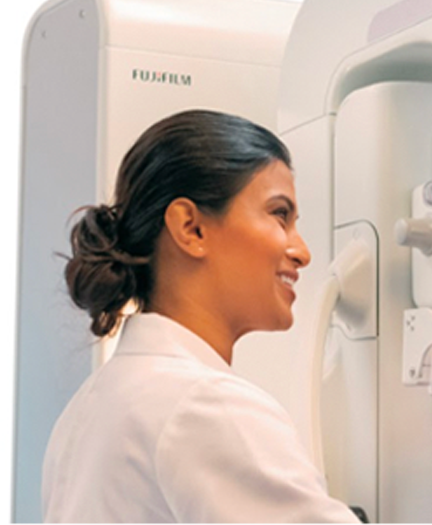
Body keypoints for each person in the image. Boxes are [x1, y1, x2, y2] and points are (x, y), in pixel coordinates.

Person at [42, 110, 360, 522]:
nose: (302, 252)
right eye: (279, 215)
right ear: (191, 228)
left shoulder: (85, 410)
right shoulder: (206, 405)